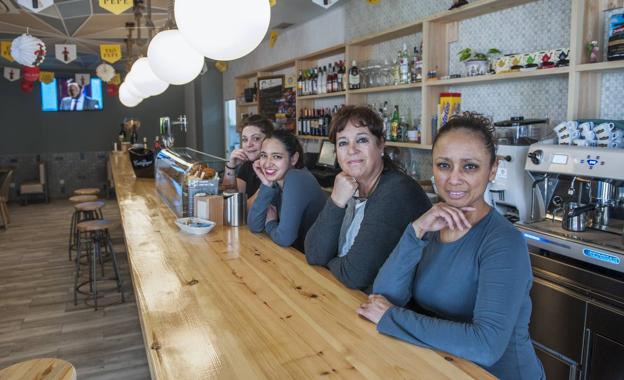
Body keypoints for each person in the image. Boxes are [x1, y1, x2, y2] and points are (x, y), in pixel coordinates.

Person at [357, 112, 544, 380]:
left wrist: (393, 318)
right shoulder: (431, 226)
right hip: (441, 366)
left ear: (493, 169)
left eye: (470, 166)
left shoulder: (503, 242)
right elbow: (384, 296)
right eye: (444, 165)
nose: (453, 179)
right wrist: (416, 231)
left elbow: (486, 346)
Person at [304, 106, 431, 292]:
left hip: (388, 310)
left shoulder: (396, 191)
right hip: (348, 296)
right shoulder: (349, 187)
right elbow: (314, 254)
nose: (351, 150)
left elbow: (354, 275)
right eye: (342, 143)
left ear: (380, 145)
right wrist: (335, 202)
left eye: (362, 140)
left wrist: (330, 261)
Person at [247, 129, 326, 252]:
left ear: (293, 159)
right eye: (263, 155)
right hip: (298, 257)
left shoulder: (296, 178)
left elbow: (284, 238)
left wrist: (271, 223)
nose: (267, 164)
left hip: (318, 268)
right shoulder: (277, 182)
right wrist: (266, 184)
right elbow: (254, 225)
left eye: (276, 157)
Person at [223, 115, 274, 209]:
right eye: (245, 139)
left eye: (256, 138)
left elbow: (243, 209)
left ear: (269, 140)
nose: (248, 144)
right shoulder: (247, 166)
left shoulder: (273, 169)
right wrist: (231, 165)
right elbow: (230, 198)